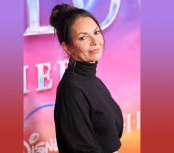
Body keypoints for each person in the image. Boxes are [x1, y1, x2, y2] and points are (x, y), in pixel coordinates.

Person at [50, 4, 123, 153]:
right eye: (83, 37)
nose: (95, 41)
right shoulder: (72, 90)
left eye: (96, 32)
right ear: (67, 47)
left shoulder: (94, 81)